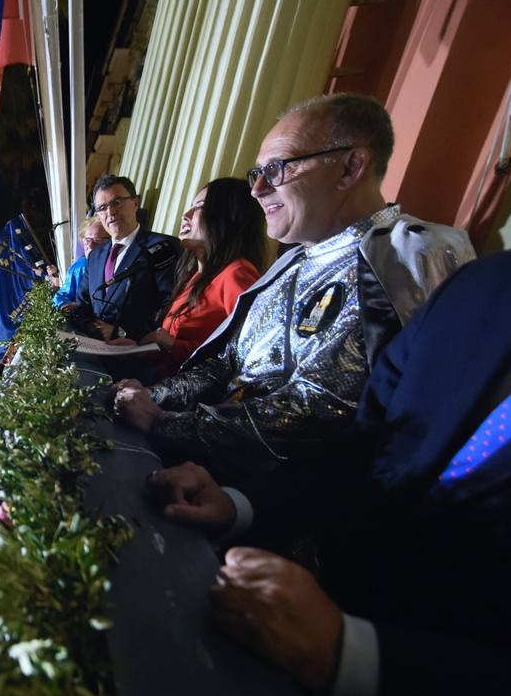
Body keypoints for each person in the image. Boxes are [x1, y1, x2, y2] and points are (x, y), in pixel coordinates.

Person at [146, 240, 511, 696]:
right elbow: (365, 451)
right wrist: (241, 502)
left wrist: (352, 657)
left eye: (277, 170)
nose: (264, 187)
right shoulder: (495, 283)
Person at [113, 93, 474, 486]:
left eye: (278, 168)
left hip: (280, 505)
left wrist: (165, 424)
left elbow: (322, 410)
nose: (258, 189)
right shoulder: (295, 260)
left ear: (350, 167)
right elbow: (227, 361)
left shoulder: (404, 258)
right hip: (209, 467)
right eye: (258, 173)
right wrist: (155, 395)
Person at [117, 177, 265, 379]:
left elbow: (245, 355)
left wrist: (171, 344)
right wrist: (136, 347)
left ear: (228, 217)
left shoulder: (237, 273)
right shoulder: (196, 276)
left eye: (199, 208)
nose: (185, 215)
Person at [60, 174, 180, 341]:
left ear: (135, 203)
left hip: (138, 354)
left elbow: (170, 306)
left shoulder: (163, 247)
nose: (110, 212)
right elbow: (82, 305)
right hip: (95, 353)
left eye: (117, 202)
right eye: (102, 208)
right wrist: (91, 327)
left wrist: (121, 332)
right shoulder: (95, 256)